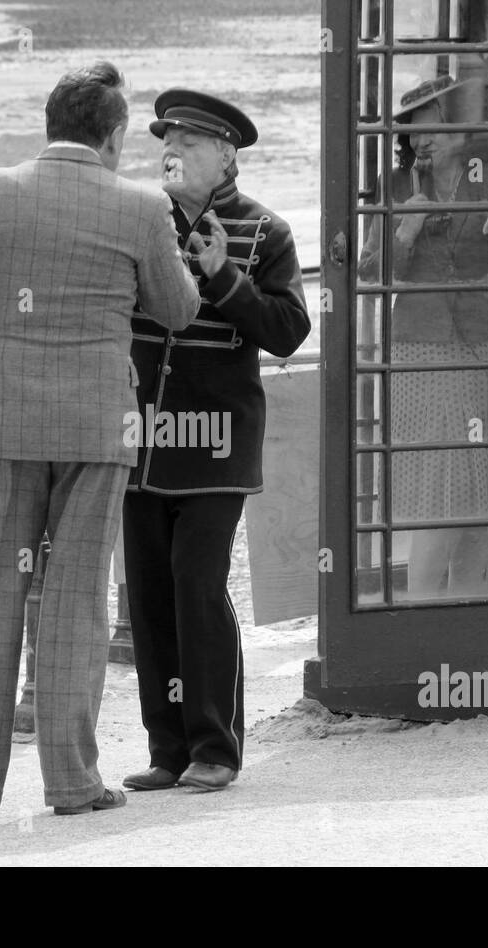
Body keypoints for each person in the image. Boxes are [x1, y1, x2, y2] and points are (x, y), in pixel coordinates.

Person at [0, 62, 200, 819]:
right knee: (75, 606)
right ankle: (72, 783)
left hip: (6, 426)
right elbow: (175, 310)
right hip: (99, 429)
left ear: (49, 125)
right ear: (113, 135)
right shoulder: (142, 206)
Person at [121, 90, 310, 794]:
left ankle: (216, 745)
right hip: (141, 439)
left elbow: (289, 332)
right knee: (149, 595)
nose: (173, 150)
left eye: (191, 142)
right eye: (166, 139)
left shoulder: (266, 232)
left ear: (227, 155)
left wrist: (225, 277)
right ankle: (166, 747)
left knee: (197, 586)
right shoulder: (139, 222)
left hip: (217, 442)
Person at [358, 74, 488, 598]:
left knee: (486, 486)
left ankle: (467, 604)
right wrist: (405, 229)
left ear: (462, 128)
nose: (419, 141)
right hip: (424, 347)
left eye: (432, 129)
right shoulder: (395, 185)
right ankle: (421, 604)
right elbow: (368, 271)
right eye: (411, 132)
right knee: (439, 484)